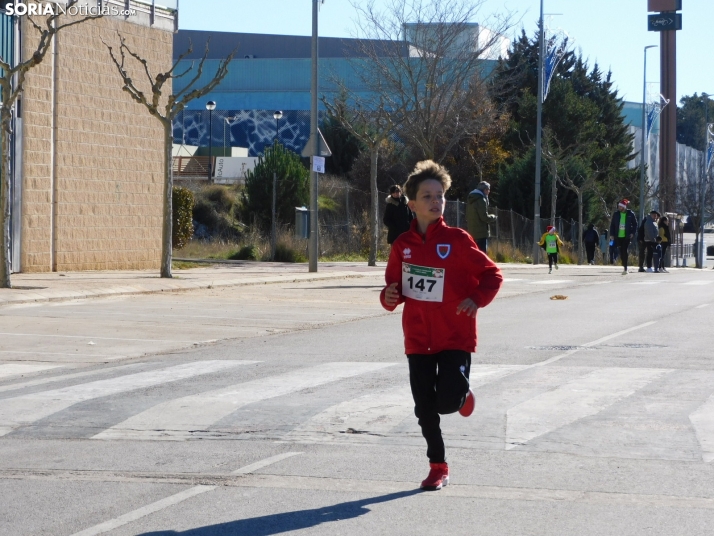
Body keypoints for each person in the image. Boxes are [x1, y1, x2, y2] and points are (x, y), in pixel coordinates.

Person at [380, 160, 503, 491]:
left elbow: (493, 274)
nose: (435, 201)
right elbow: (393, 288)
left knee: (446, 401)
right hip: (418, 337)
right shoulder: (402, 245)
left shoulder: (458, 240)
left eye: (440, 195)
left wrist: (476, 299)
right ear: (411, 204)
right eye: (427, 196)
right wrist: (388, 296)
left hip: (455, 335)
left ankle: (461, 397)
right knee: (424, 408)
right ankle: (438, 466)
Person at [466, 181, 497, 253]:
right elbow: (484, 217)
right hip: (481, 232)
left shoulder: (471, 199)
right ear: (485, 190)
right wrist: (493, 217)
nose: (489, 192)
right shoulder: (481, 200)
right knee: (482, 255)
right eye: (488, 190)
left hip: (472, 231)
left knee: (475, 254)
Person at [609, 199, 638, 275]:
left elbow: (635, 224)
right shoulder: (616, 214)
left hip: (626, 236)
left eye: (620, 206)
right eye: (618, 206)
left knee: (624, 250)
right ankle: (622, 262)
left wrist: (632, 233)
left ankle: (625, 268)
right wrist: (611, 234)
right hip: (617, 236)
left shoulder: (630, 214)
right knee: (620, 251)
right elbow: (612, 225)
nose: (619, 207)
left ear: (624, 207)